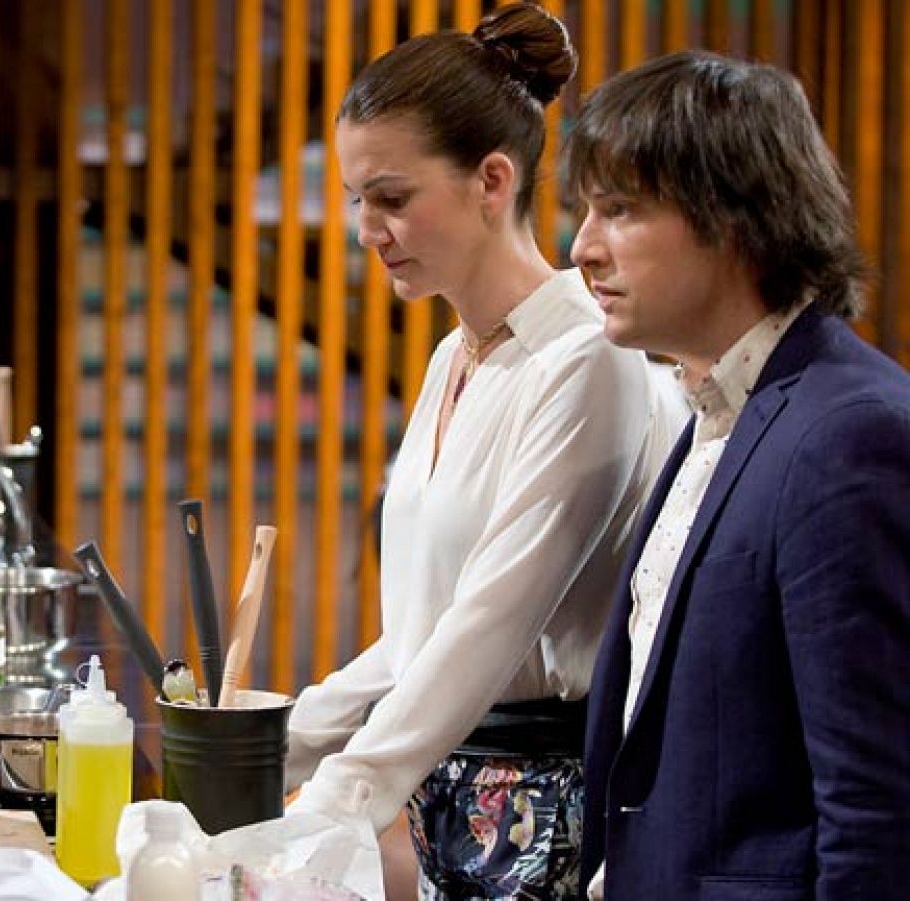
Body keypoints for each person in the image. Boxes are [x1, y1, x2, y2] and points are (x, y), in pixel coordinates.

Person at [281, 6, 685, 899]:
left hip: (545, 807)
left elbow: (492, 624)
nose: (365, 229)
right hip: (450, 794)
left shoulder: (588, 355)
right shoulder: (453, 353)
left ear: (492, 180)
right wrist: (283, 738)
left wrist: (340, 790)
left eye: (391, 198)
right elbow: (423, 630)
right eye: (357, 201)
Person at [564, 51, 910, 900]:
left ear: (732, 216)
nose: (581, 248)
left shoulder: (848, 433)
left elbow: (876, 807)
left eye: (618, 211)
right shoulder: (715, 410)